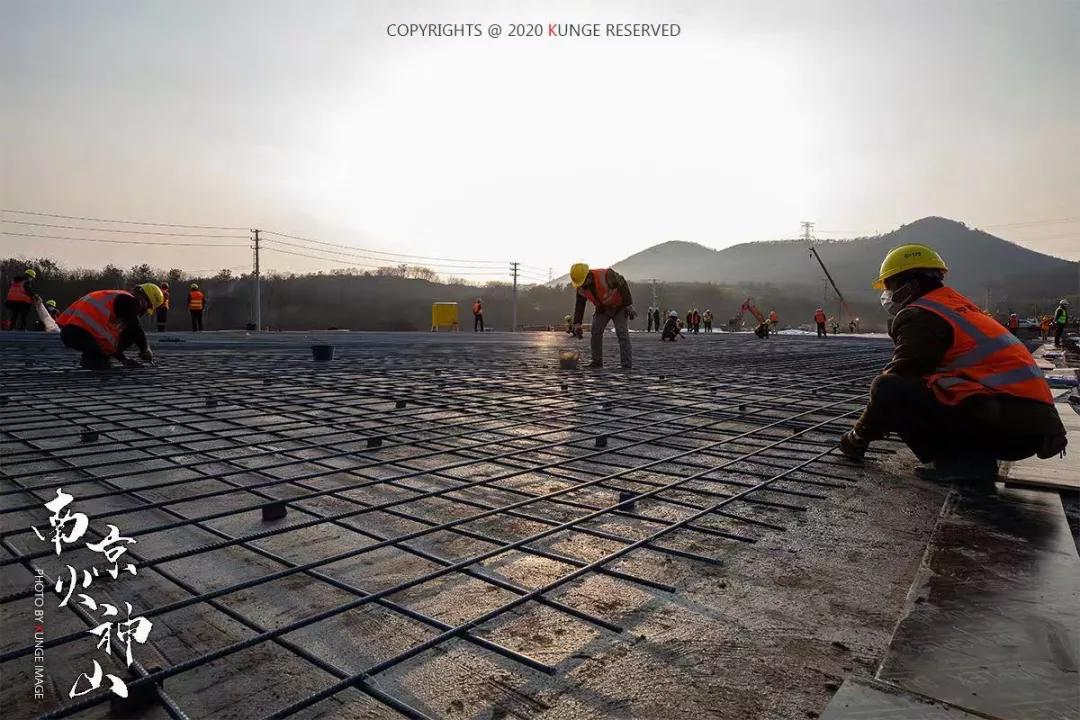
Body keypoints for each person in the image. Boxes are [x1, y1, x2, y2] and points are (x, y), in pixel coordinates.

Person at [838, 244, 1066, 481]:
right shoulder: (956, 306)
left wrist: (858, 436)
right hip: (1030, 424)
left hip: (1008, 423)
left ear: (910, 285)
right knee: (932, 384)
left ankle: (960, 464)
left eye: (890, 286)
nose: (888, 295)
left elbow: (898, 379)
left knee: (888, 387)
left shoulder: (921, 315)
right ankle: (972, 459)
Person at [57, 284, 164, 370]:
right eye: (147, 307)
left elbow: (106, 340)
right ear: (142, 298)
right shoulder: (129, 301)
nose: (144, 311)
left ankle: (92, 359)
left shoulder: (117, 297)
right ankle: (95, 360)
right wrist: (145, 348)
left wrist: (124, 360)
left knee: (102, 362)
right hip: (81, 333)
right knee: (130, 333)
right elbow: (135, 329)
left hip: (71, 334)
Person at [569, 263, 635, 369]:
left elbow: (622, 284)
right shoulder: (581, 288)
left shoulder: (606, 275)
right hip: (603, 309)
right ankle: (596, 362)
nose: (583, 285)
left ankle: (626, 364)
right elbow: (580, 305)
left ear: (588, 275)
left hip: (619, 307)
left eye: (584, 281)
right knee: (595, 332)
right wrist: (577, 324)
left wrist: (628, 305)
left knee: (622, 334)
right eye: (580, 283)